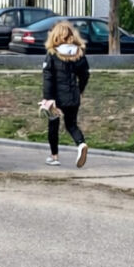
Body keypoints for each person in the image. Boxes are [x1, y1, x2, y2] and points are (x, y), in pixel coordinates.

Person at [41, 20, 90, 167]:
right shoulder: (79, 53)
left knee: (53, 126)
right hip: (73, 96)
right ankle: (81, 144)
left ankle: (54, 156)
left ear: (55, 36)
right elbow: (85, 75)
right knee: (71, 125)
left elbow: (48, 78)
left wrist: (48, 98)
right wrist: (80, 90)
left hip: (56, 98)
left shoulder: (52, 54)